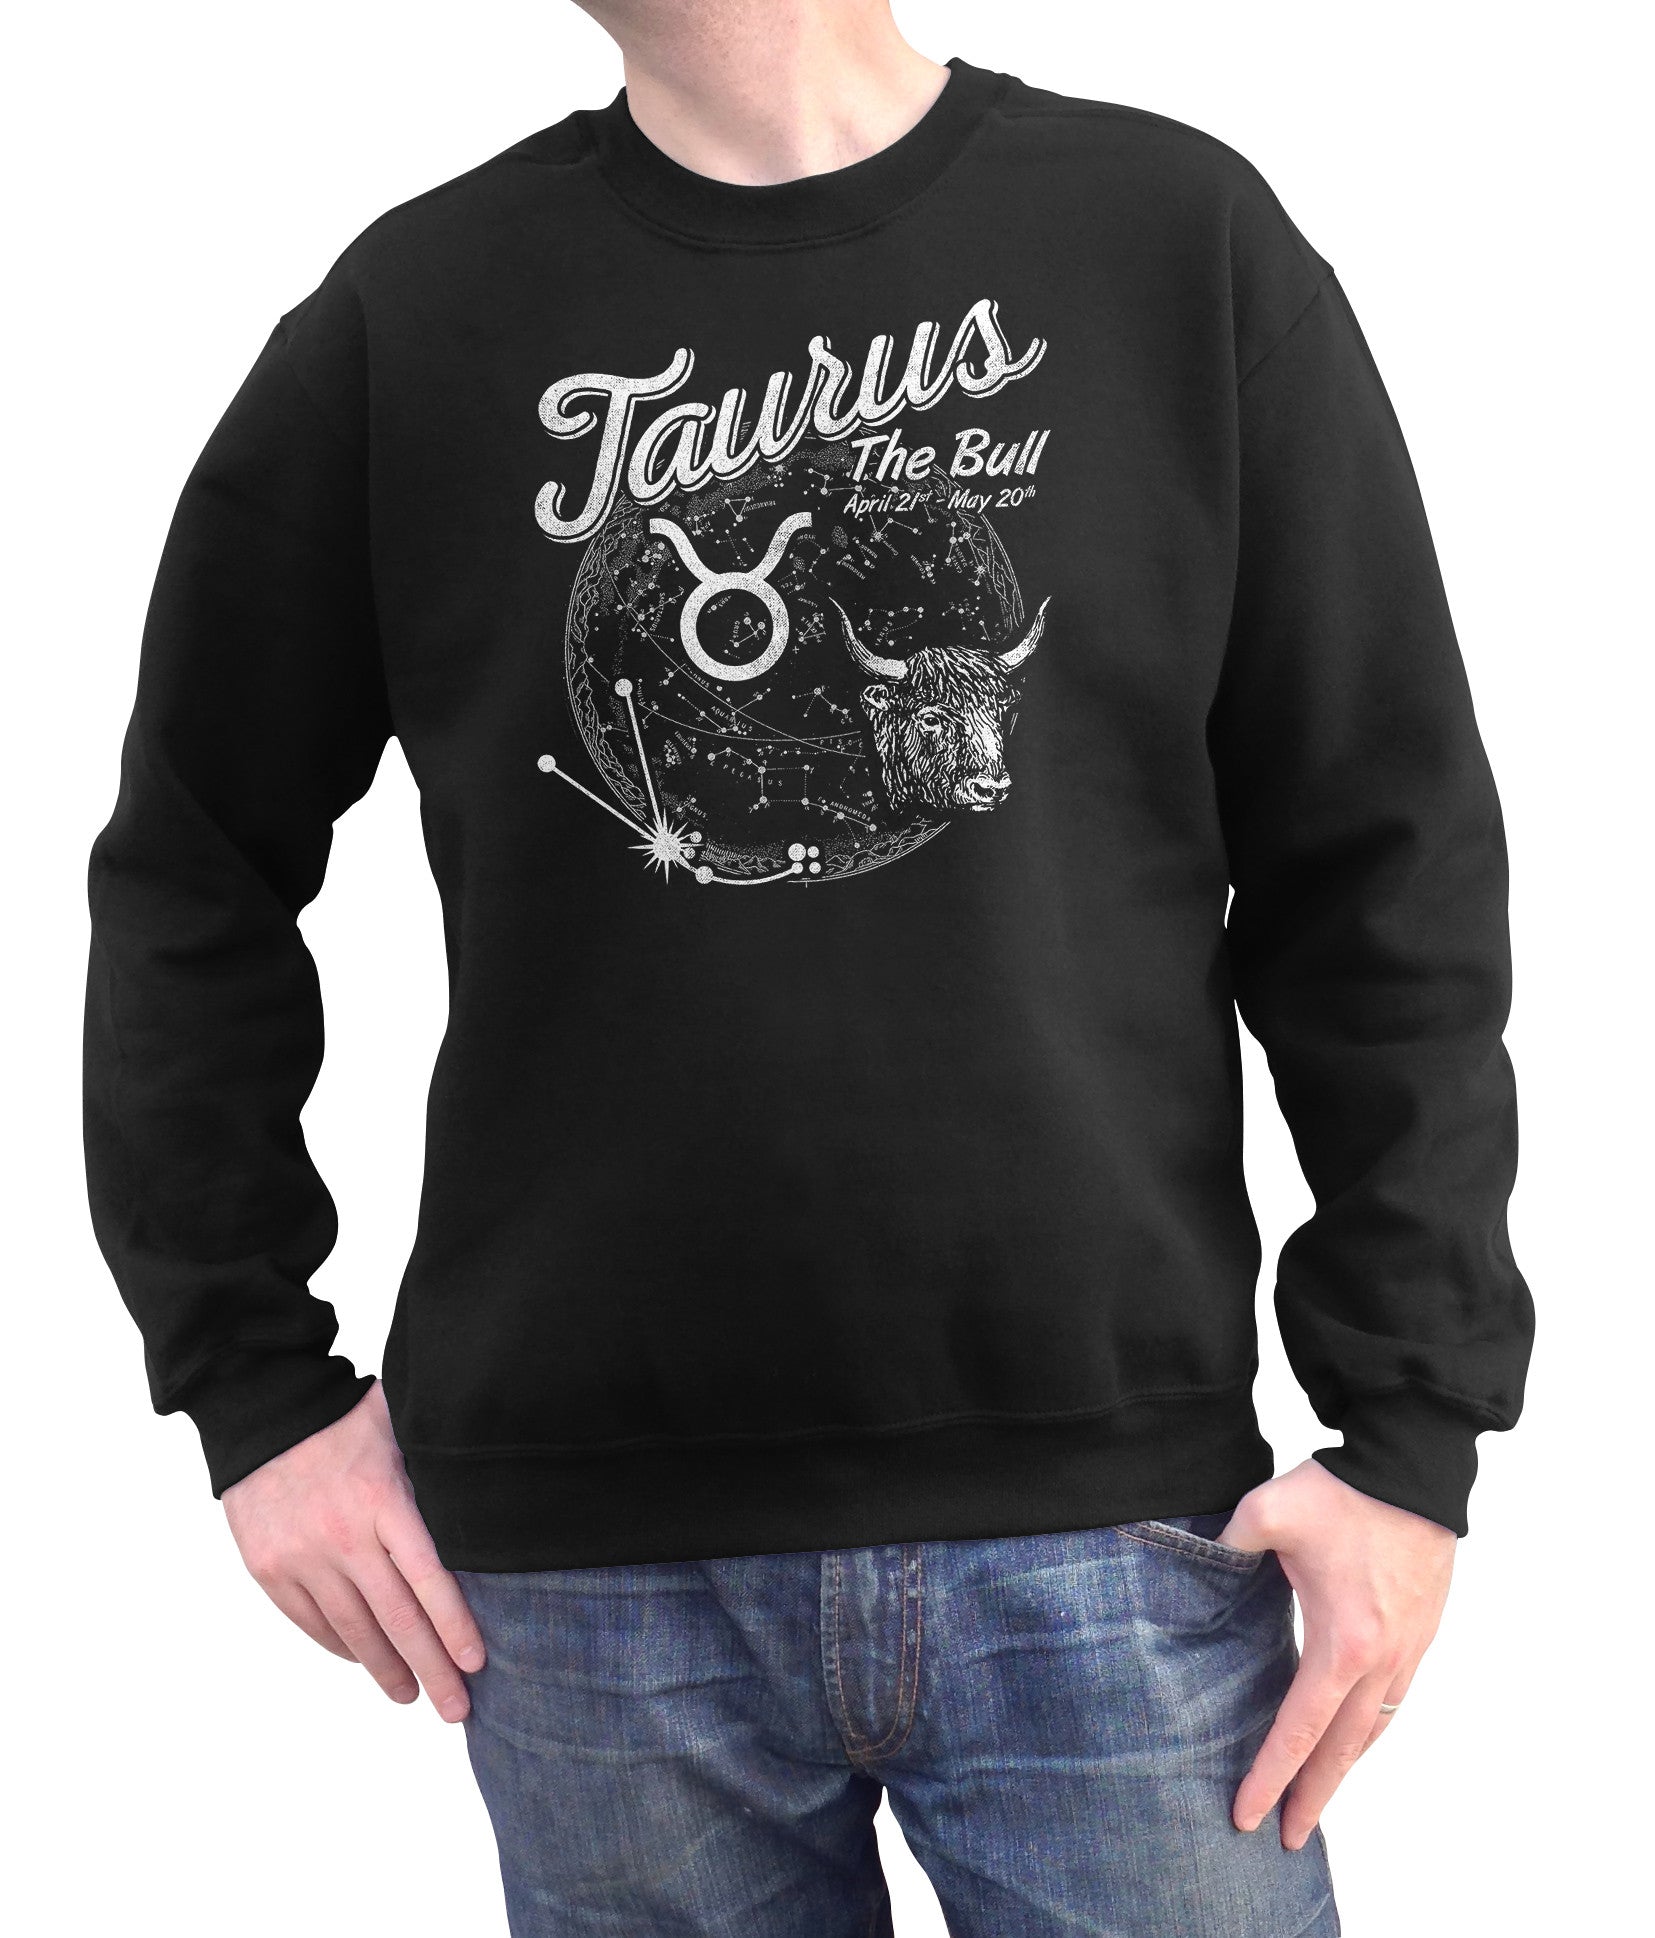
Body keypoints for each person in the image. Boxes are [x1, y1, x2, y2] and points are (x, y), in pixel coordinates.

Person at [82, 3, 1533, 1933]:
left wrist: (1412, 1430)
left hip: (1111, 1532)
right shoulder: (413, 318)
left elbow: (1384, 859)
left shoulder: (1172, 245)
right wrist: (249, 1380)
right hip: (594, 1589)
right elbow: (190, 864)